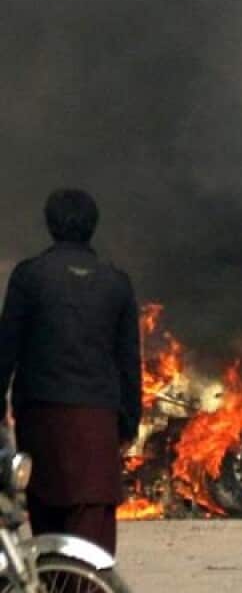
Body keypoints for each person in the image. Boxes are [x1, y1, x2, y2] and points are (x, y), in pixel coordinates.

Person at [0, 189, 141, 555]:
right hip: (97, 412)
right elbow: (128, 360)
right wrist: (129, 421)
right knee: (92, 504)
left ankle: (52, 587)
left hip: (40, 410)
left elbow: (7, 348)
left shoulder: (29, 277)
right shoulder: (116, 281)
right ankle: (87, 591)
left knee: (46, 500)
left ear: (50, 226)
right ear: (93, 227)